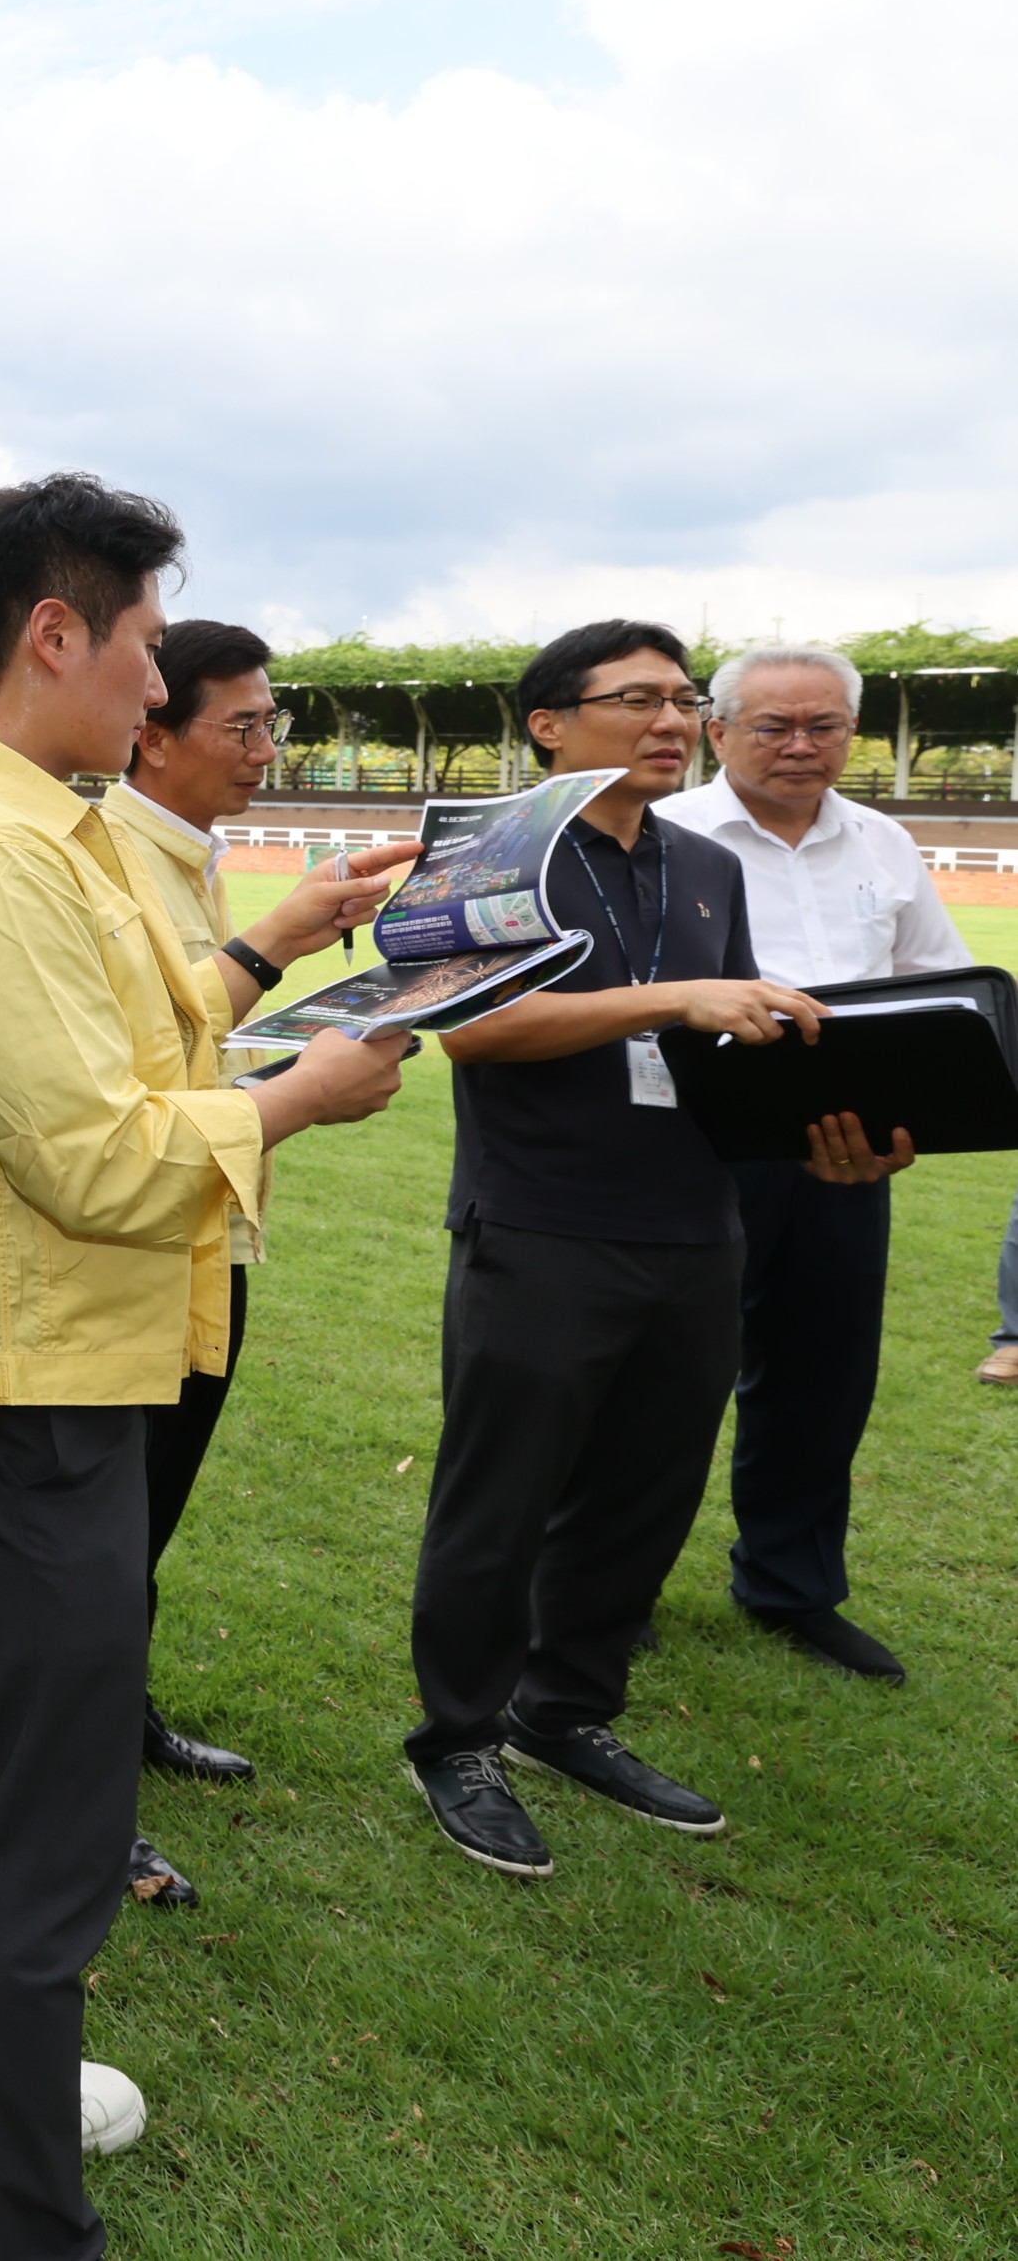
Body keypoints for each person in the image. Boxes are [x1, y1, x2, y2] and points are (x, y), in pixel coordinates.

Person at [0, 474, 410, 2261]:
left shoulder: (36, 815)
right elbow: (91, 1153)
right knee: (42, 1828)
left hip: (18, 1360)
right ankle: (20, 2212)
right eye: (152, 652)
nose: (162, 695)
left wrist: (271, 966)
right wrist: (299, 1098)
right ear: (54, 635)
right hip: (22, 1379)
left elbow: (138, 1033)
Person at [408, 622, 911, 1882]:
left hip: (696, 1226)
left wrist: (824, 1139)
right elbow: (472, 1026)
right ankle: (457, 1739)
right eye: (634, 699)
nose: (669, 720)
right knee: (501, 1498)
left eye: (680, 699)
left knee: (645, 1492)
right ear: (547, 722)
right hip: (540, 1224)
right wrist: (668, 998)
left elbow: (723, 1053)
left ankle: (563, 1708)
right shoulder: (481, 846)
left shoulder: (698, 864)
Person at [96, 617, 365, 1908]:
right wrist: (297, 1065)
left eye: (273, 724)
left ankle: (119, 1725)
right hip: (143, 1238)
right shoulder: (104, 860)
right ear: (150, 734)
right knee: (97, 1544)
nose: (266, 748)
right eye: (240, 726)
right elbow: (129, 1077)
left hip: (210, 1224)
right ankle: (87, 1809)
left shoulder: (186, 859)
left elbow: (196, 1035)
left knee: (137, 1532)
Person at [653, 642, 962, 1681]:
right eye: (773, 726)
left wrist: (909, 1117)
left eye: (822, 726)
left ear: (850, 733)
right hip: (691, 1146)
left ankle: (790, 1585)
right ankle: (611, 1582)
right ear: (717, 732)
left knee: (823, 1373)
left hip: (844, 1155)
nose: (799, 746)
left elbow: (936, 985)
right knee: (658, 1378)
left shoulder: (882, 842)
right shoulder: (662, 835)